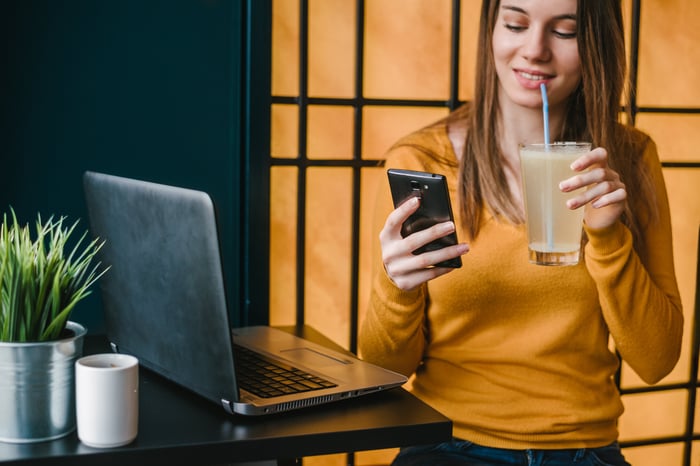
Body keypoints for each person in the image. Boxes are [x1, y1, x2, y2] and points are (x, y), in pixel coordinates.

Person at [358, 0, 684, 465]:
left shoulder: (629, 159)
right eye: (515, 24)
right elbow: (383, 370)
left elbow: (657, 362)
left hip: (585, 451)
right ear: (491, 31)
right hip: (449, 445)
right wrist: (399, 291)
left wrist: (609, 241)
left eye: (565, 31)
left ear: (595, 45)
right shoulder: (420, 163)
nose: (534, 50)